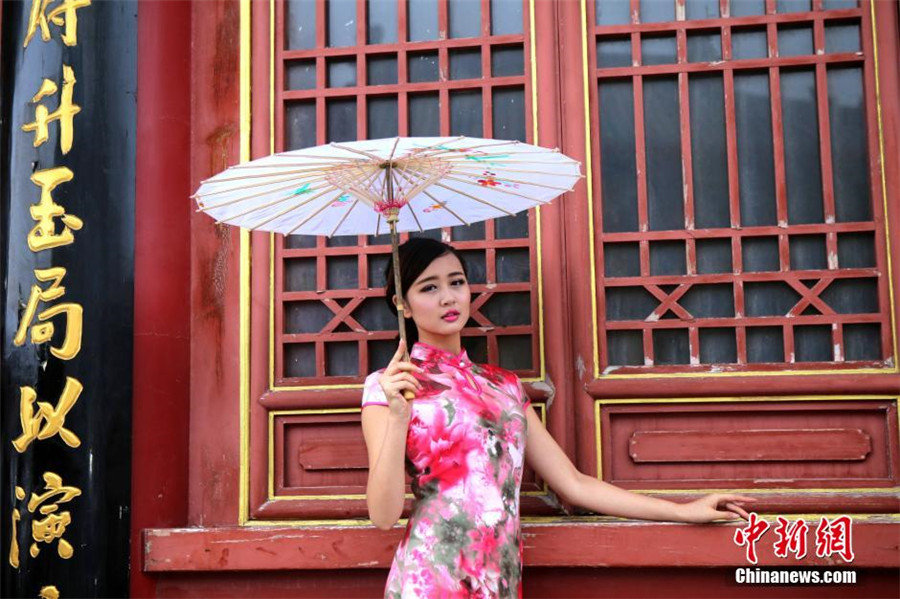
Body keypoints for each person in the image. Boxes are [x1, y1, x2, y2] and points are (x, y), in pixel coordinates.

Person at [361, 237, 755, 599]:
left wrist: (682, 510)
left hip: (499, 581)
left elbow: (573, 484)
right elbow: (383, 515)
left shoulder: (503, 386)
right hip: (430, 580)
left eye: (457, 282)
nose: (448, 297)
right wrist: (398, 417)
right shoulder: (390, 387)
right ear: (403, 304)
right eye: (429, 287)